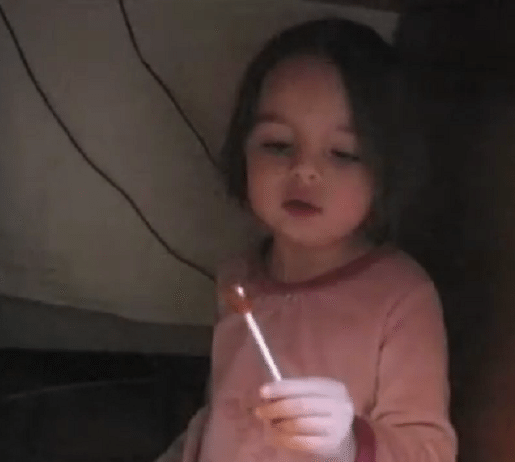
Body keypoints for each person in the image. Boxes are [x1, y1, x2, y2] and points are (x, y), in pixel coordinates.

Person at [156, 17, 457, 462]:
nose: (305, 170)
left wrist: (349, 442)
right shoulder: (238, 277)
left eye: (343, 154)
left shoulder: (402, 298)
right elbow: (218, 415)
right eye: (277, 144)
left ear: (388, 168)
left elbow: (431, 451)